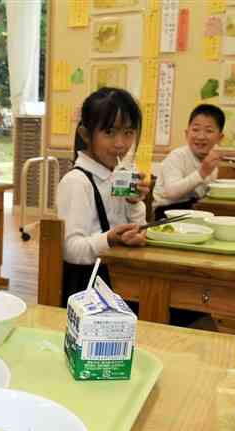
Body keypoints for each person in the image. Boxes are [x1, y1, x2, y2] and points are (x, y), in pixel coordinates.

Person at [55, 87, 148, 305]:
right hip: (90, 297)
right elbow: (70, 250)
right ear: (86, 134)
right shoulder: (77, 182)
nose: (120, 144)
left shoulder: (117, 175)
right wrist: (110, 238)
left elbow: (138, 227)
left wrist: (134, 204)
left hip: (120, 281)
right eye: (109, 132)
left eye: (128, 133)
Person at [152, 104, 232, 220]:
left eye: (209, 131)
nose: (200, 136)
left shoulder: (211, 162)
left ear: (220, 137)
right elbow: (172, 192)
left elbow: (204, 195)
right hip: (166, 213)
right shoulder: (177, 156)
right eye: (195, 129)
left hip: (195, 210)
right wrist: (202, 172)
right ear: (187, 133)